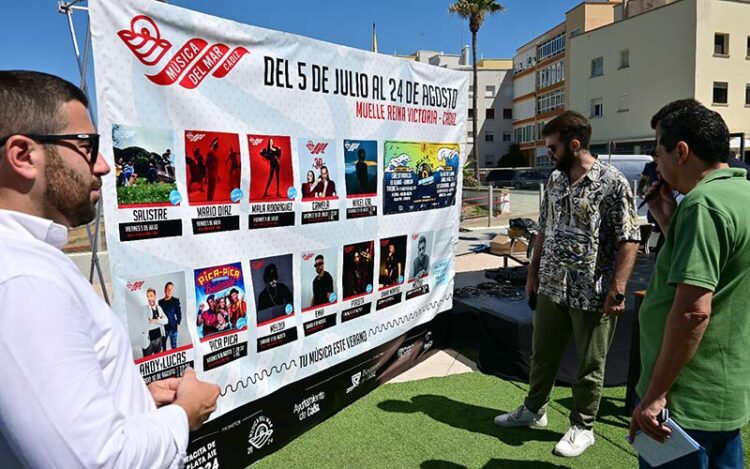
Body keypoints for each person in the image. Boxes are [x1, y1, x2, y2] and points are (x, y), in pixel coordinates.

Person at [0, 70, 219, 467]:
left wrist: (130, 396)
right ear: (22, 156)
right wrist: (184, 414)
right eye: (87, 146)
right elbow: (94, 462)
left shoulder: (26, 261)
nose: (103, 165)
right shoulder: (22, 279)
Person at [494, 111, 640, 458]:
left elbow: (629, 238)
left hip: (592, 291)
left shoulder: (613, 182)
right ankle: (534, 410)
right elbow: (543, 229)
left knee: (590, 363)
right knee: (542, 354)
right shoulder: (556, 181)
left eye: (553, 147)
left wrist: (617, 288)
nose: (549, 154)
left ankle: (583, 427)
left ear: (575, 145)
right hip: (551, 286)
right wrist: (532, 275)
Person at [629, 99, 750, 468]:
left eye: (657, 150)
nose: (656, 162)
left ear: (681, 151)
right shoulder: (739, 194)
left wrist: (654, 395)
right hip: (723, 390)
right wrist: (669, 221)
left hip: (686, 398)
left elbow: (693, 312)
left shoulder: (703, 206)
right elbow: (724, 270)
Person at [143, 288, 168, 357]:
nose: (149, 298)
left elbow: (166, 321)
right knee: (147, 362)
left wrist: (156, 320)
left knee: (159, 360)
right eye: (148, 296)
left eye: (151, 296)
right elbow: (146, 325)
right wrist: (160, 320)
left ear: (155, 296)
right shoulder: (145, 309)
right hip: (149, 341)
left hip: (159, 339)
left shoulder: (159, 308)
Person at [158, 281, 182, 350]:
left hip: (173, 328)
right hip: (163, 329)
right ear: (165, 290)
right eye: (168, 289)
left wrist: (178, 323)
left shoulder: (175, 301)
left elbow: (179, 314)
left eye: (171, 289)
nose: (169, 291)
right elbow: (159, 315)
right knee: (163, 348)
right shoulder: (160, 302)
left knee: (174, 347)